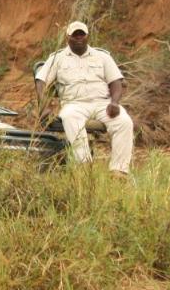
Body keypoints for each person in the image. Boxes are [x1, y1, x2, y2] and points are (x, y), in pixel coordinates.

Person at [34, 21, 134, 176]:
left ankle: (119, 171)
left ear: (88, 36)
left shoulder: (102, 56)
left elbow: (116, 82)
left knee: (124, 121)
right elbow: (41, 81)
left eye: (82, 34)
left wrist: (114, 102)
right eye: (75, 35)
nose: (79, 38)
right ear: (68, 37)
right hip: (74, 104)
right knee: (70, 117)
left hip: (102, 103)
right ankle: (84, 168)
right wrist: (44, 106)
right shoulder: (58, 58)